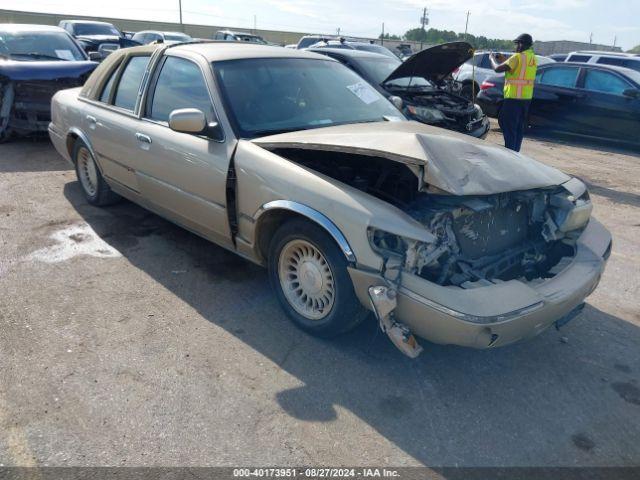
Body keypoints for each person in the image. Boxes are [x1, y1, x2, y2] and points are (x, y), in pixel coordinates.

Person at [490, 33, 537, 152]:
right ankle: (515, 153)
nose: (516, 47)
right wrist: (504, 60)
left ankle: (509, 153)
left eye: (517, 44)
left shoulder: (518, 57)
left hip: (513, 98)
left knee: (508, 126)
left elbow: (497, 69)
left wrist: (492, 59)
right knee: (518, 128)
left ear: (521, 44)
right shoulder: (532, 58)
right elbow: (517, 67)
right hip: (525, 99)